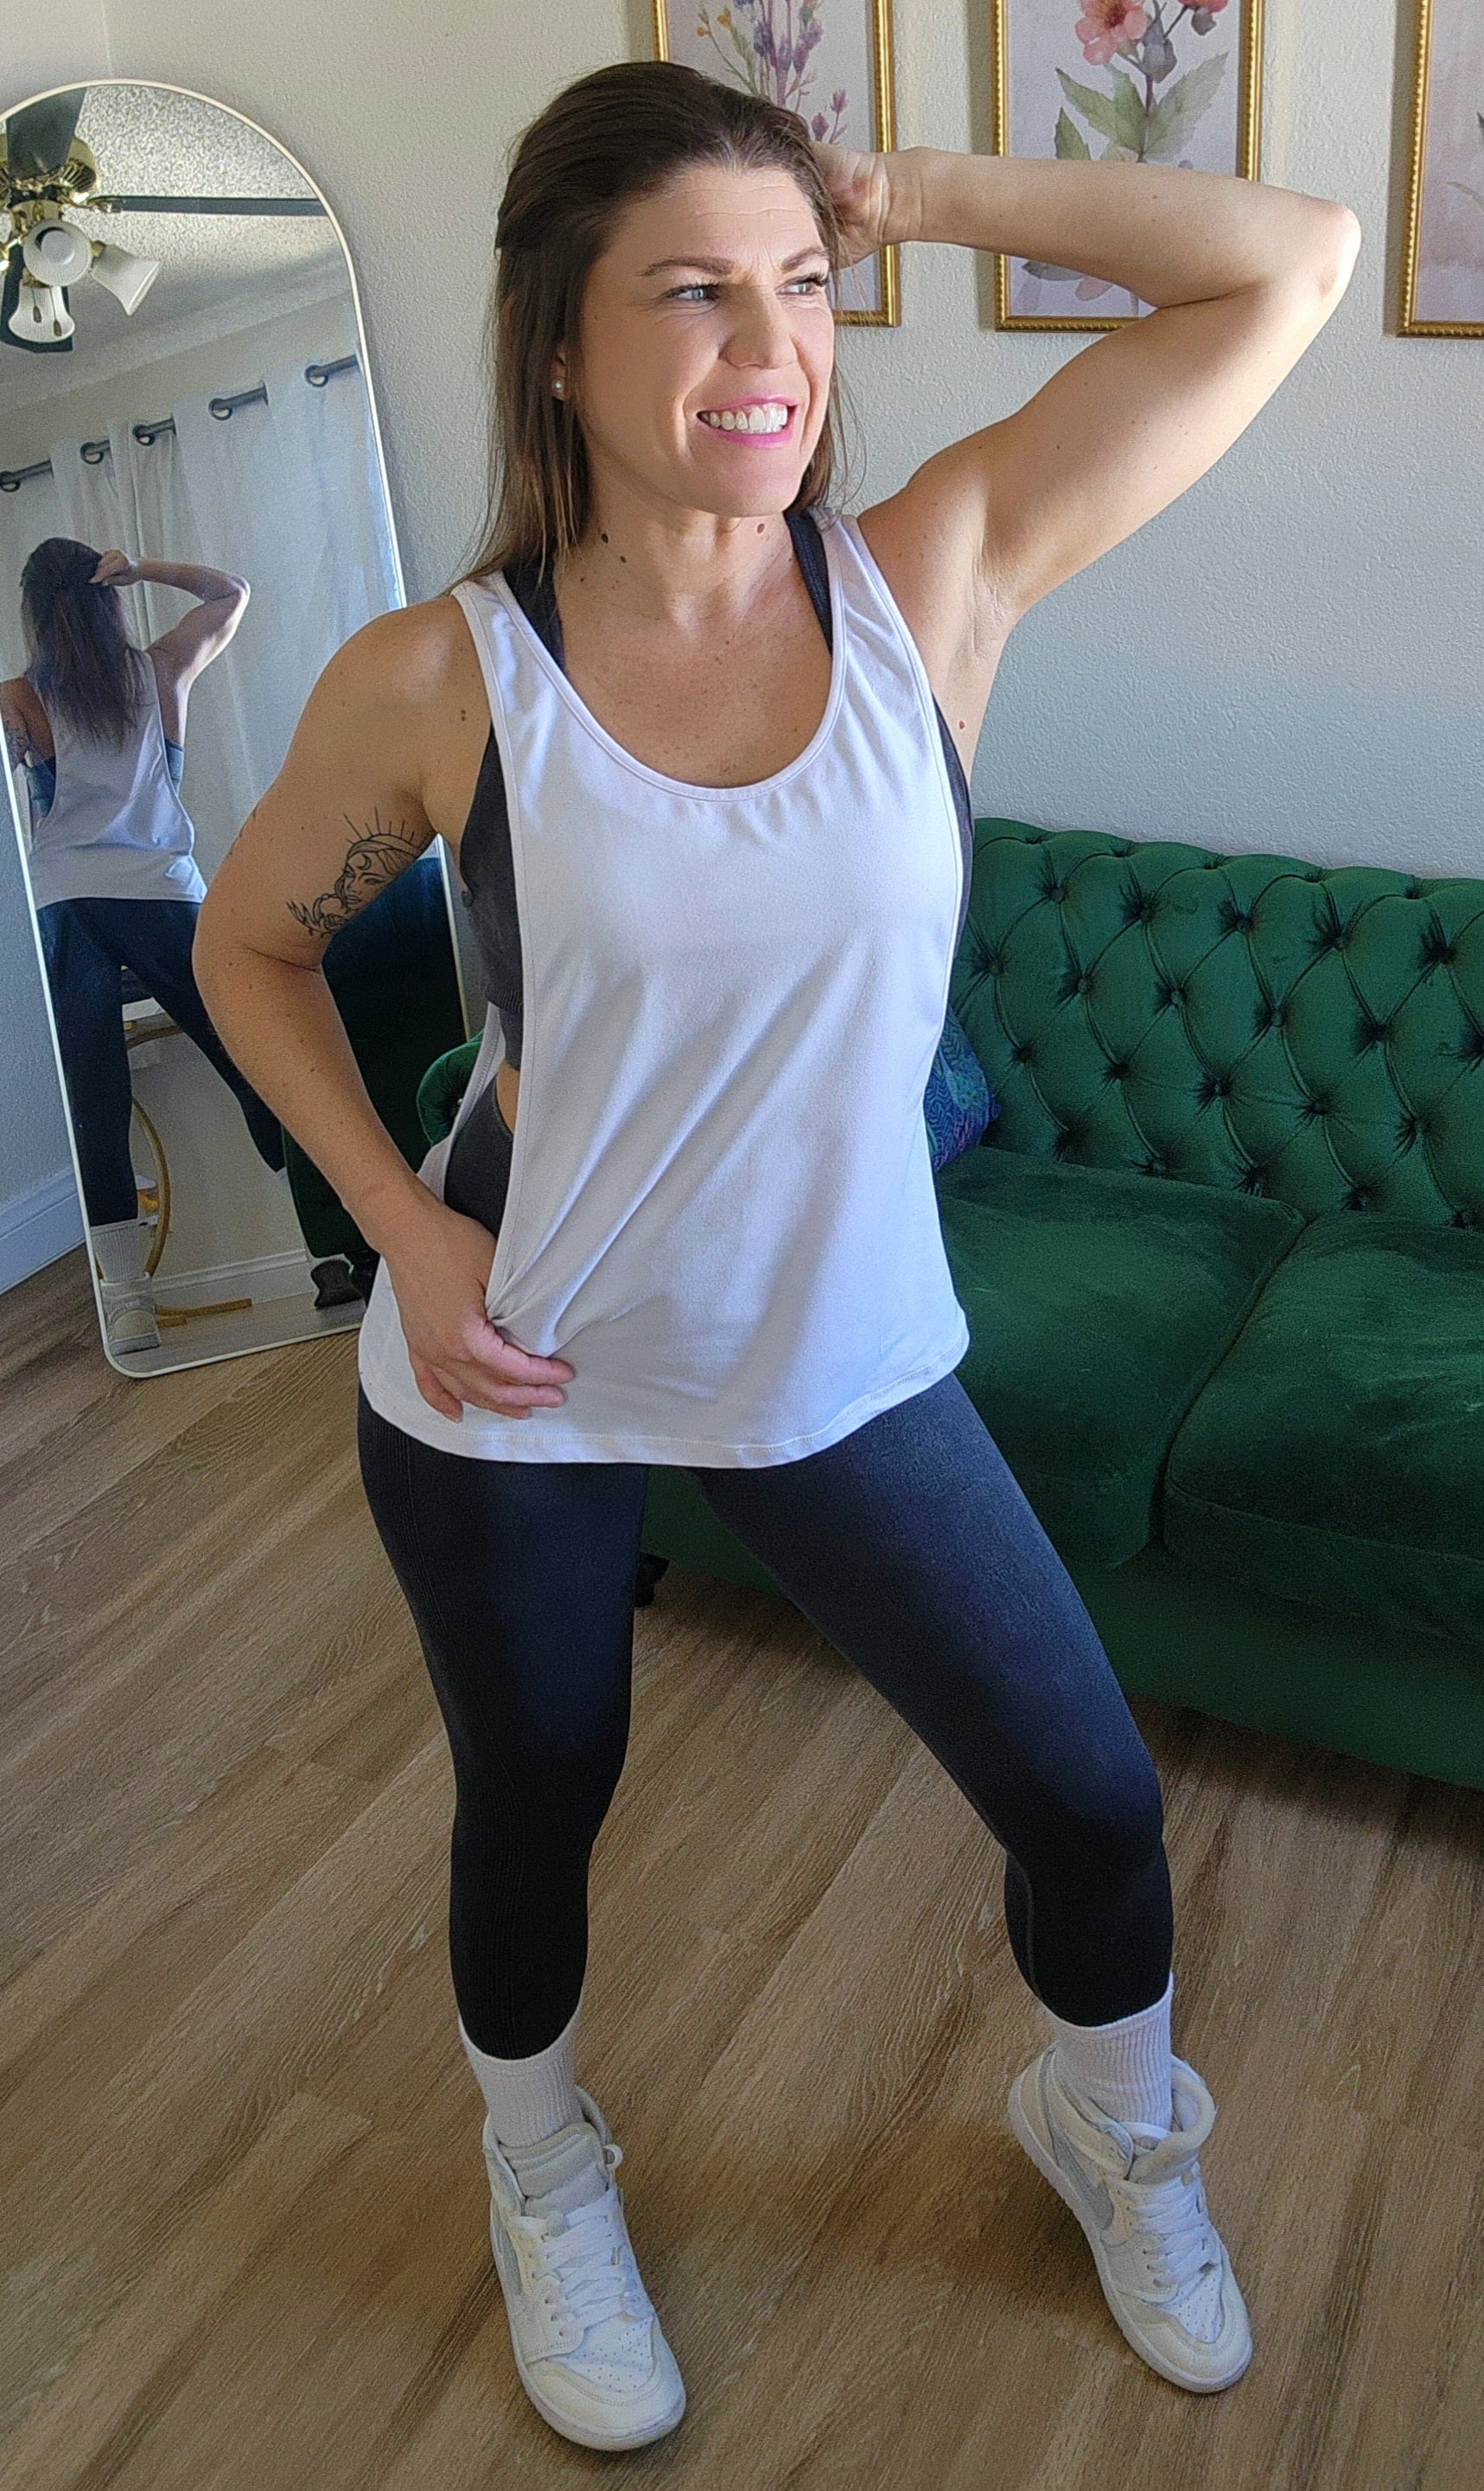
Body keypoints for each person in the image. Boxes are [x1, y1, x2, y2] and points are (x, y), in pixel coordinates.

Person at [194, 61, 1359, 2452]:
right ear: (556, 344)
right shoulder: (442, 681)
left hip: (837, 1366)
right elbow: (245, 954)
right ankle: (543, 2164)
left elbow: (1291, 260)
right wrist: (398, 1228)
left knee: (1083, 1798)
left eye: (803, 290)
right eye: (694, 292)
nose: (770, 348)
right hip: (510, 1365)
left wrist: (902, 185)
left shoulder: (931, 575)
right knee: (540, 1790)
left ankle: (1112, 2129)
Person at [2, 538, 290, 1354]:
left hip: (67, 905)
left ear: (33, 613)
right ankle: (333, 1234)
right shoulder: (158, 671)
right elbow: (231, 589)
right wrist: (147, 569)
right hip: (162, 895)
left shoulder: (18, 697)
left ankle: (127, 1302)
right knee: (258, 1067)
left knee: (93, 1097)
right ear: (109, 597)